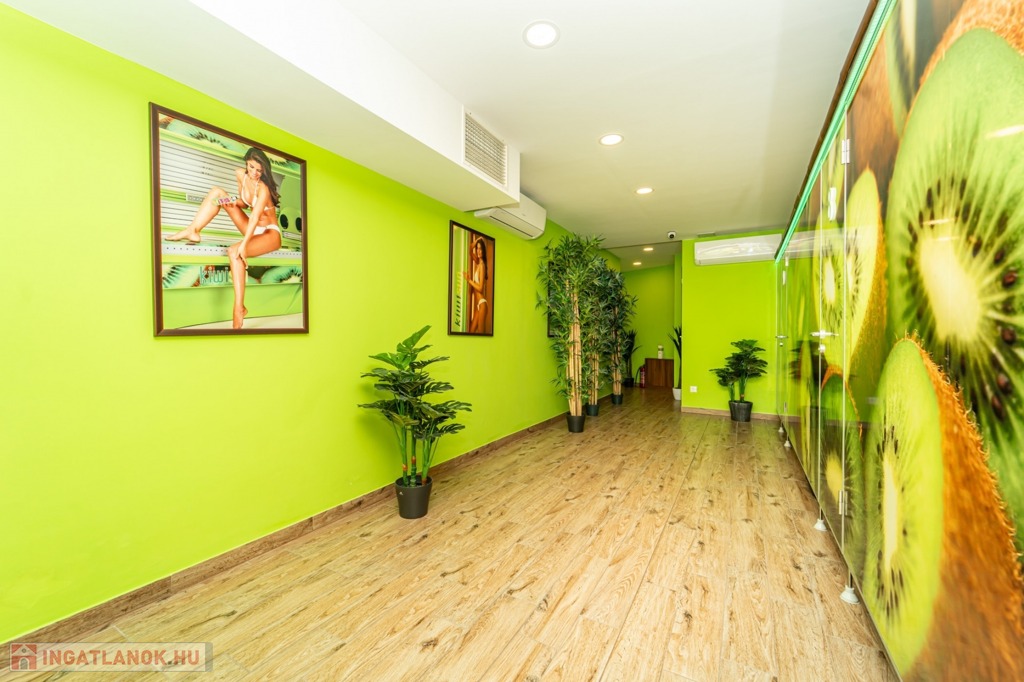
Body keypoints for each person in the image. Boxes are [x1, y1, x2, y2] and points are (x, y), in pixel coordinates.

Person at [167, 147, 281, 329]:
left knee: (234, 252)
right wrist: (230, 201)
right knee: (217, 193)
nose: (254, 173)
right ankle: (192, 230)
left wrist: (244, 245)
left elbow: (254, 217)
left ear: (264, 170)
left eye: (259, 170)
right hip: (251, 228)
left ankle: (239, 308)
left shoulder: (264, 189)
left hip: (269, 233)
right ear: (246, 163)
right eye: (251, 167)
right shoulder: (240, 175)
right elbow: (245, 204)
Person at [462, 236, 489, 333]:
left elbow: (480, 288)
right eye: (477, 248)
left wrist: (469, 280)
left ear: (483, 251)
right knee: (471, 331)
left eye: (480, 249)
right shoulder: (478, 262)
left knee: (481, 335)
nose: (478, 251)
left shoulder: (482, 266)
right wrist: (477, 240)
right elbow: (469, 250)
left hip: (482, 304)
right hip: (479, 305)